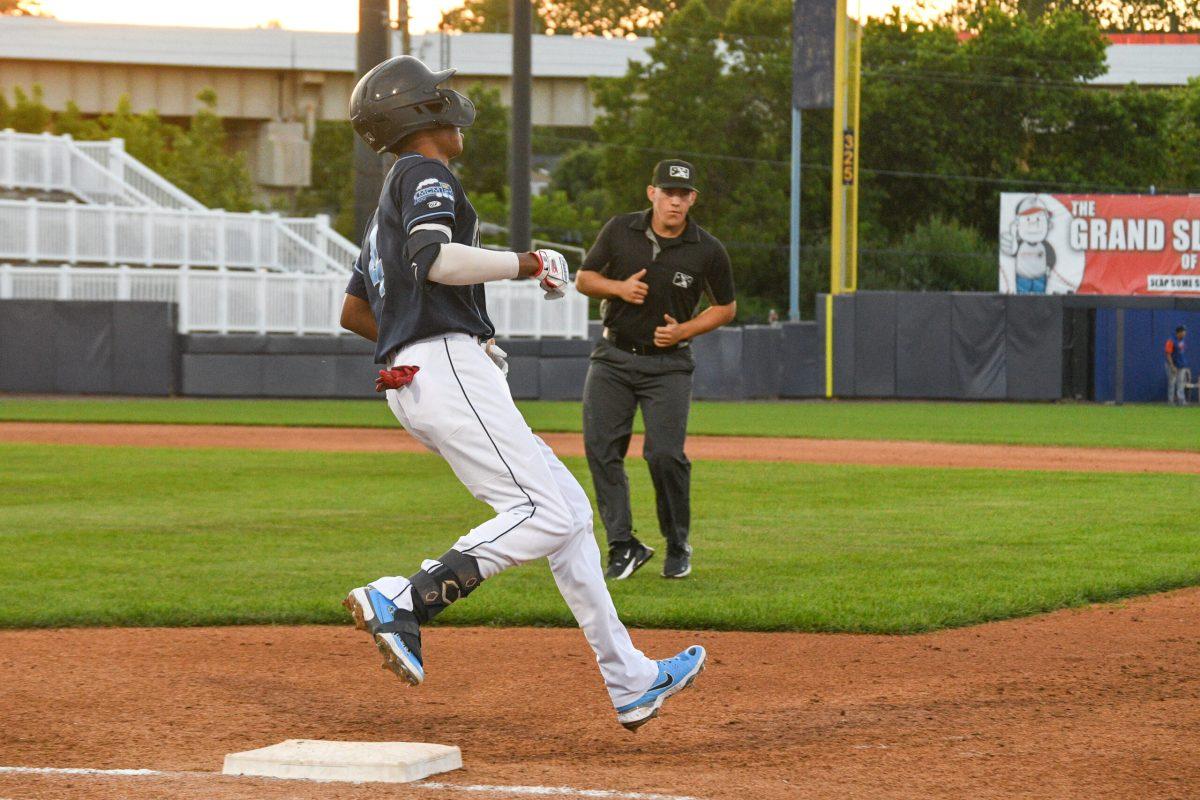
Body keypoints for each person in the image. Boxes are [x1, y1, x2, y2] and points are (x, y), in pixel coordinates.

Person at [336, 56, 704, 732]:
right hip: (440, 371)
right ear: (422, 115)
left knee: (566, 512)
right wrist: (528, 263)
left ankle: (630, 680)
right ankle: (405, 601)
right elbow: (437, 260)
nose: (453, 110)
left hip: (424, 372)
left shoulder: (387, 199)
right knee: (547, 510)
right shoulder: (425, 172)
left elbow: (357, 312)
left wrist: (441, 333)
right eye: (438, 99)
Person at [575, 160, 736, 581]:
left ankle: (678, 542)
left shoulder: (708, 249)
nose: (675, 201)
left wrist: (685, 329)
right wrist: (619, 288)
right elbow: (585, 278)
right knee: (601, 448)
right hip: (612, 357)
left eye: (683, 194)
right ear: (652, 194)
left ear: (693, 199)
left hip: (669, 365)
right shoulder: (619, 230)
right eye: (668, 192)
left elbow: (726, 307)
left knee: (664, 456)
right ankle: (622, 544)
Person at [1165, 325, 1187, 405]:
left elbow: (1181, 353)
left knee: (1181, 383)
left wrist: (1183, 364)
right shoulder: (1171, 341)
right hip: (1172, 365)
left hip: (1181, 364)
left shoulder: (1182, 340)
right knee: (1172, 383)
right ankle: (1170, 401)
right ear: (1179, 332)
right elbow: (1168, 354)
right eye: (1183, 332)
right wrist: (1172, 366)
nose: (1185, 333)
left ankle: (1181, 400)